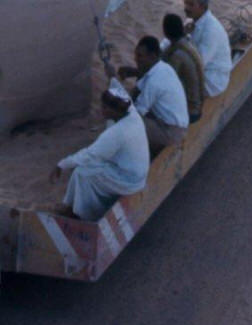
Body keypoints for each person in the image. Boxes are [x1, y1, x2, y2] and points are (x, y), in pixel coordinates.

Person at [51, 81, 148, 221]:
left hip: (129, 180)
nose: (101, 110)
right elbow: (118, 87)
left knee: (81, 173)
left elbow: (89, 154)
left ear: (114, 110)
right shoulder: (131, 113)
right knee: (84, 170)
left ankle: (81, 214)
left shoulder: (116, 133)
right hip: (136, 173)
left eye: (104, 107)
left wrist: (62, 164)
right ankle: (69, 204)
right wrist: (112, 76)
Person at [121, 34, 189, 153]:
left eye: (140, 56)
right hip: (174, 124)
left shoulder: (154, 82)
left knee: (129, 120)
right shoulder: (163, 67)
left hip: (171, 132)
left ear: (152, 56)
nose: (135, 59)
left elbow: (137, 112)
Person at [183, 0, 232, 97]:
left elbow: (198, 63)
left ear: (203, 6)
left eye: (191, 5)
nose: (186, 8)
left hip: (212, 80)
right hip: (201, 71)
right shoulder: (191, 21)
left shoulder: (211, 30)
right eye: (185, 3)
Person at [161, 12, 206, 122]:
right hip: (198, 104)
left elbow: (164, 82)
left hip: (191, 112)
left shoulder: (177, 56)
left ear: (166, 33)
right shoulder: (188, 42)